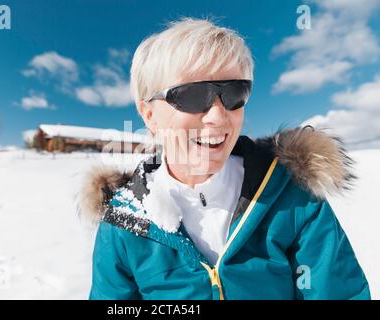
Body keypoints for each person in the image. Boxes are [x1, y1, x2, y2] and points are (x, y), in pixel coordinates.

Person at [79, 18, 370, 300]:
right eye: (192, 95)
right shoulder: (123, 222)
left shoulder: (292, 196)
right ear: (150, 115)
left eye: (234, 93)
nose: (219, 117)